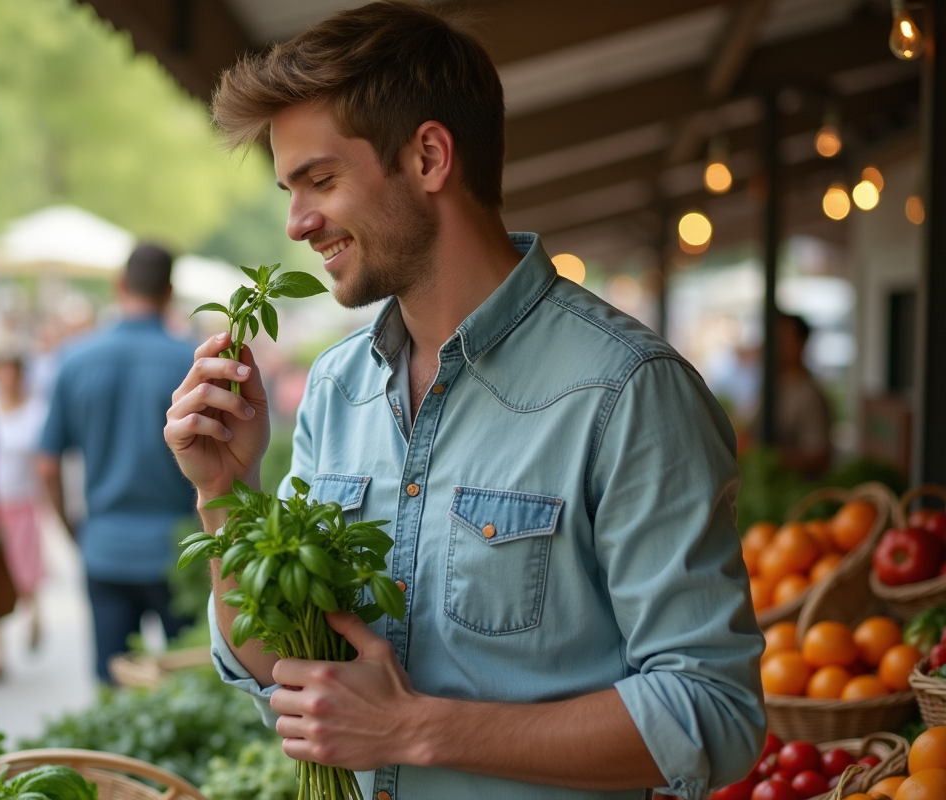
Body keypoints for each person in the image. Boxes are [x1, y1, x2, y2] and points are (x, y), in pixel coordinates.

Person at [163, 3, 766, 799]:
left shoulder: (628, 392)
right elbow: (283, 665)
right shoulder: (338, 389)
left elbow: (713, 712)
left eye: (321, 179)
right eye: (290, 188)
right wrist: (224, 494)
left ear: (429, 157)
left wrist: (417, 727)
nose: (299, 222)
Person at [38, 243, 196, 684]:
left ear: (120, 285)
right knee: (188, 684)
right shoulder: (193, 361)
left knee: (113, 688)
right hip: (179, 550)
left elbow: (47, 465)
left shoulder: (74, 359)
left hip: (105, 546)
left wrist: (74, 530)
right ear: (168, 292)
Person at [0, 350, 48, 680]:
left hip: (23, 502)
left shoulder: (35, 412)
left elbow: (43, 461)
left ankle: (34, 615)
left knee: (24, 571)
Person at [773, 314, 832, 478]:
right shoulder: (776, 384)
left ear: (800, 344)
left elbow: (819, 456)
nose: (777, 346)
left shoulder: (809, 395)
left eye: (783, 340)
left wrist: (771, 456)